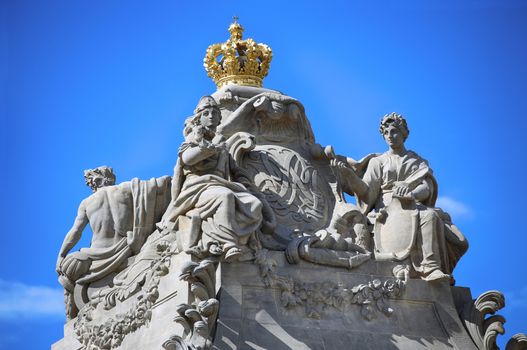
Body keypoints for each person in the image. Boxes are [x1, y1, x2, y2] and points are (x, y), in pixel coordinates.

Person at [332, 113, 468, 282]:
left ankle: (430, 267)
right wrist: (348, 175)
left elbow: (426, 187)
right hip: (386, 209)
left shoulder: (417, 161)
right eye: (386, 132)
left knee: (431, 216)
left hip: (413, 204)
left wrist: (412, 195)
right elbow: (367, 192)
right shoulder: (378, 161)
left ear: (404, 133)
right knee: (426, 216)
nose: (390, 136)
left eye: (395, 131)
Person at [161, 96, 267, 262]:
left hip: (219, 183)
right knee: (225, 196)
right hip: (197, 187)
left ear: (219, 118)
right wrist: (211, 148)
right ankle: (229, 243)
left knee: (254, 204)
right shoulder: (193, 139)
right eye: (206, 113)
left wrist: (250, 186)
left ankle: (239, 241)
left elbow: (235, 170)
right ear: (199, 118)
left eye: (215, 113)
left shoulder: (222, 143)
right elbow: (188, 159)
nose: (211, 116)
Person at [56, 166, 171, 318]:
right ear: (109, 178)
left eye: (92, 182)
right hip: (126, 248)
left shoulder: (87, 203)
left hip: (96, 257)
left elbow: (76, 232)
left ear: (96, 182)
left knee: (69, 268)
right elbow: (160, 186)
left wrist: (61, 255)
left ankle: (73, 319)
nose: (91, 185)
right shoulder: (127, 188)